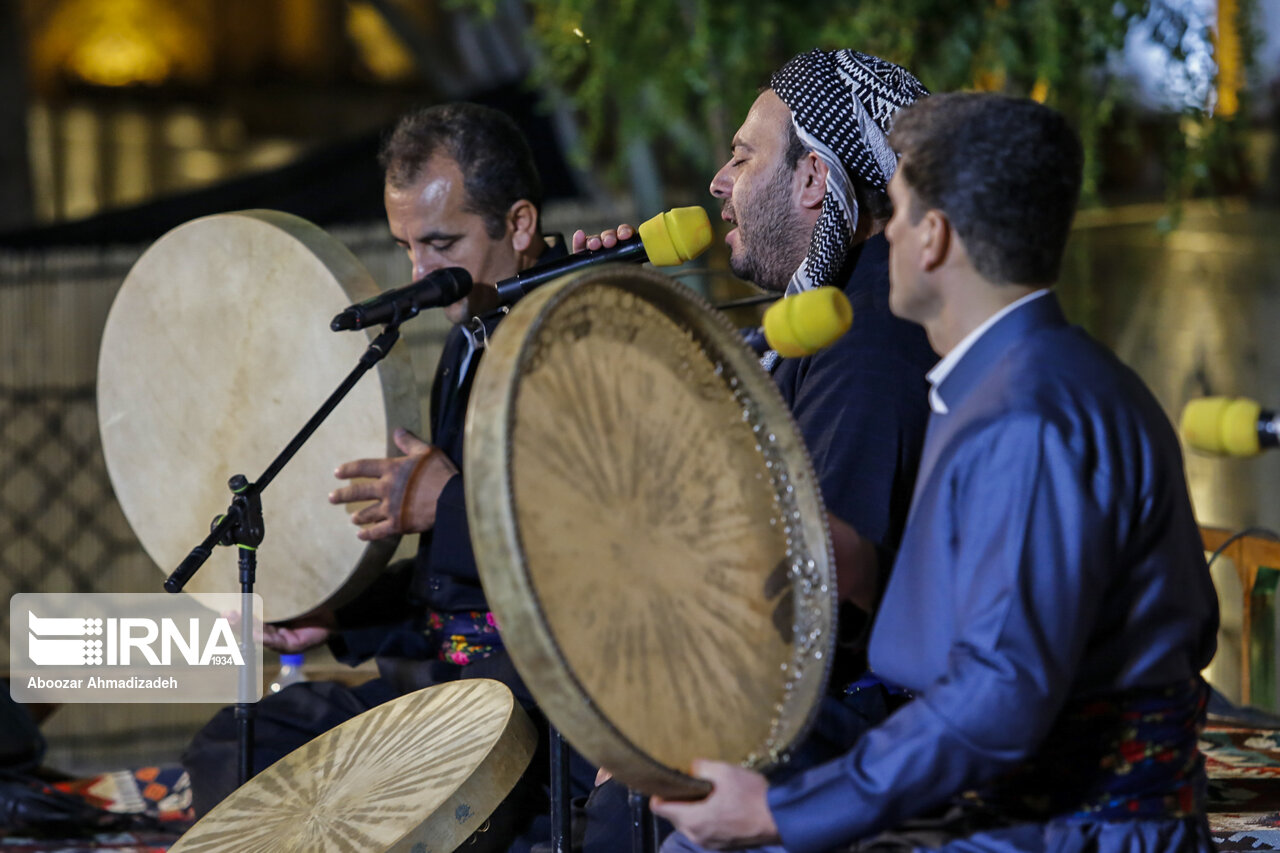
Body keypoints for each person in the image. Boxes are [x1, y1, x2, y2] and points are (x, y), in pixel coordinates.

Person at [653, 92, 1219, 852]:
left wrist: (779, 814)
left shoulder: (1027, 414)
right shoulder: (1013, 377)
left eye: (894, 211)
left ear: (934, 238)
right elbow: (1013, 622)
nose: (880, 234)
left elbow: (999, 695)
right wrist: (864, 571)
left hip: (1074, 828)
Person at [183, 102, 595, 842]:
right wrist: (338, 614)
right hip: (447, 673)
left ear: (521, 226)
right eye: (408, 247)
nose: (419, 272)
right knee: (238, 746)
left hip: (538, 689)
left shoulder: (581, 330)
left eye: (441, 243)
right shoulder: (466, 339)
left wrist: (451, 502)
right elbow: (449, 582)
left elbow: (600, 542)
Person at [563, 49, 937, 852]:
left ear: (813, 180)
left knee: (610, 807)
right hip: (801, 694)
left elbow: (832, 579)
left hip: (851, 722)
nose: (718, 182)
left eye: (743, 155)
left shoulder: (863, 331)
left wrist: (670, 709)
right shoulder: (819, 315)